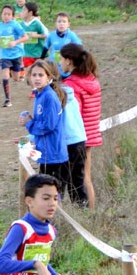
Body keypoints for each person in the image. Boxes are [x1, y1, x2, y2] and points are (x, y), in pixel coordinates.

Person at [60, 43, 102, 209]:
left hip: (77, 136)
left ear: (69, 61)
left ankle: (88, 214)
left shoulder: (71, 85)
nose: (60, 62)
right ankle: (91, 214)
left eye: (61, 59)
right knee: (86, 177)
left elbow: (72, 114)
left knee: (79, 178)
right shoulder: (92, 80)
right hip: (91, 134)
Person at [20, 60, 68, 184]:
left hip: (53, 154)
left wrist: (29, 123)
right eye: (34, 75)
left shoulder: (49, 97)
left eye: (41, 75)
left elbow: (48, 125)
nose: (37, 78)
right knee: (44, 189)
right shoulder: (39, 95)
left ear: (48, 77)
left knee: (51, 192)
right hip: (44, 152)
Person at [0, 6, 29, 108]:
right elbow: (1, 35)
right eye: (4, 14)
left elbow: (25, 37)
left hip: (16, 54)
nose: (6, 16)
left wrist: (15, 42)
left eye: (9, 14)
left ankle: (17, 70)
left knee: (16, 78)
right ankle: (7, 99)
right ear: (1, 15)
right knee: (5, 74)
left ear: (13, 16)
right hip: (4, 55)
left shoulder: (15, 25)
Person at [59, 75, 89, 207]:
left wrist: (31, 137)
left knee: (58, 182)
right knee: (77, 181)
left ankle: (53, 218)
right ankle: (83, 212)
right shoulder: (71, 95)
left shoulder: (53, 98)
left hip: (66, 143)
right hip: (79, 140)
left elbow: (51, 124)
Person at [19, 2, 49, 72]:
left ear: (30, 12)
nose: (21, 12)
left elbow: (47, 34)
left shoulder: (37, 23)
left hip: (37, 53)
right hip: (26, 53)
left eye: (24, 10)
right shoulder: (21, 24)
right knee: (29, 71)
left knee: (37, 71)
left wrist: (36, 35)